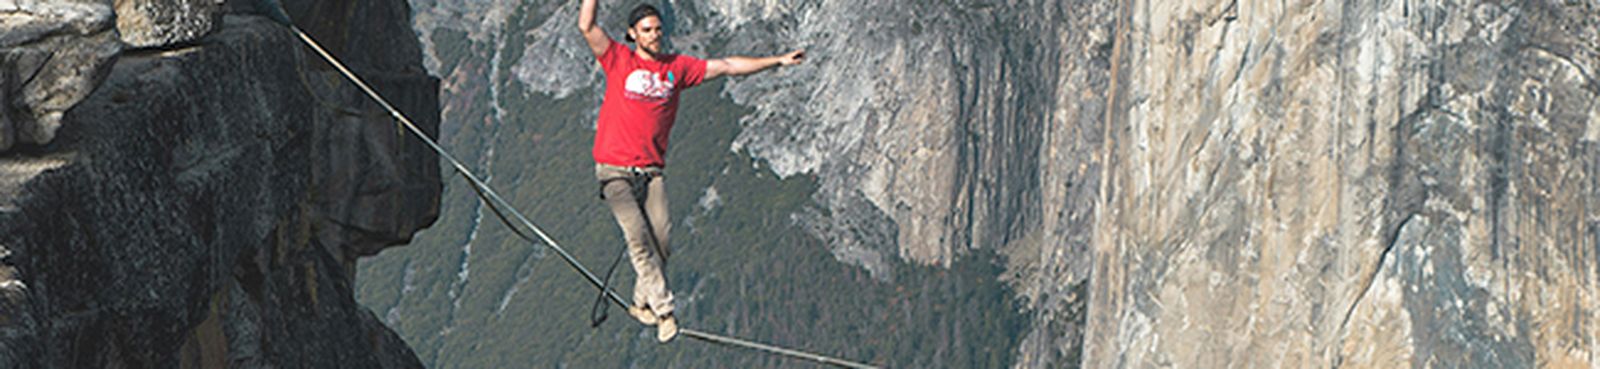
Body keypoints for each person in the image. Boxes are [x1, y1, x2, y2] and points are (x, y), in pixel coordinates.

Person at [576, 0, 805, 343]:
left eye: (657, 29)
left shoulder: (677, 68)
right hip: (614, 171)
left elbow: (728, 65)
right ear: (632, 34)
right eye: (647, 30)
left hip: (651, 172)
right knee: (638, 239)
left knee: (662, 242)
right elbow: (587, 27)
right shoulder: (618, 60)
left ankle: (642, 304)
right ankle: (666, 311)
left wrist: (776, 61)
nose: (654, 35)